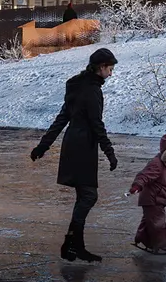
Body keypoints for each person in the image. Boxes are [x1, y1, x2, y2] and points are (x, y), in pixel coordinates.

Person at [30, 47, 118, 262]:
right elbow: (97, 124)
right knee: (89, 196)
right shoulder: (92, 90)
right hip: (83, 147)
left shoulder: (77, 86)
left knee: (83, 196)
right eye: (110, 69)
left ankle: (76, 246)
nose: (111, 74)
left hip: (72, 144)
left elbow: (62, 119)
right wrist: (109, 152)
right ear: (101, 67)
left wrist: (43, 146)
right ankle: (71, 243)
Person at [128, 133, 166, 255]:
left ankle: (142, 239)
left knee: (148, 221)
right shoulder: (157, 164)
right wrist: (137, 186)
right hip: (152, 200)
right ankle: (161, 246)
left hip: (155, 200)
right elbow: (144, 176)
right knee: (158, 223)